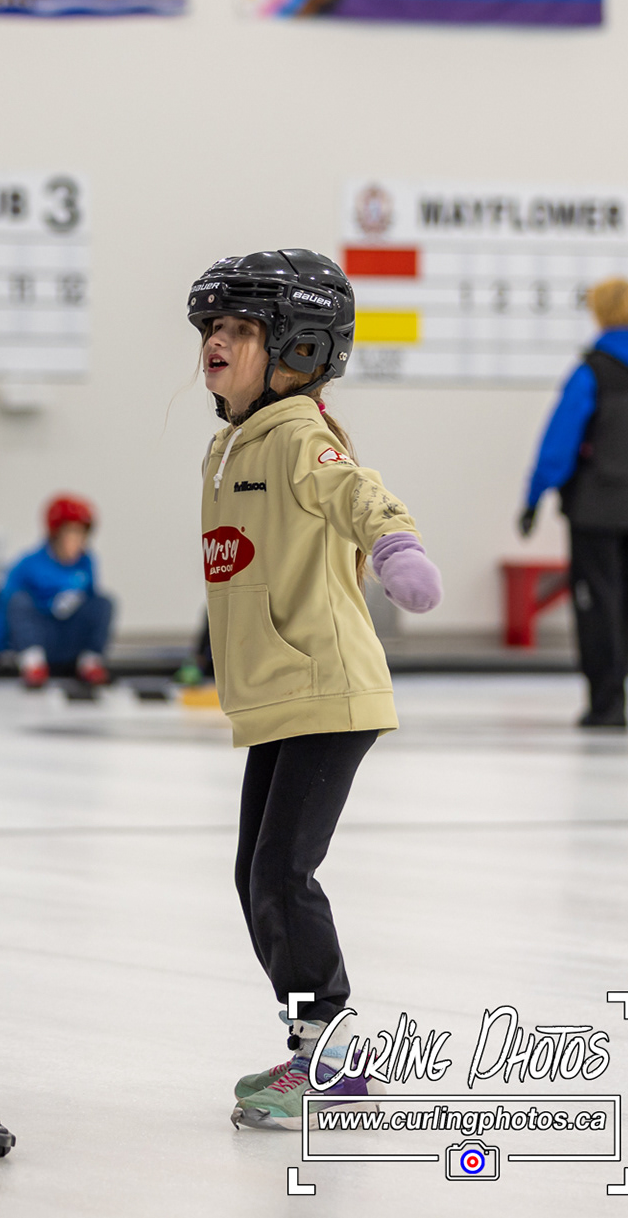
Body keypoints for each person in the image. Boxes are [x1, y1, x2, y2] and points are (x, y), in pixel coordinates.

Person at [187, 250, 443, 1130]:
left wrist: (395, 546)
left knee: (282, 871)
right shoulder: (230, 444)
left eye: (240, 330)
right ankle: (311, 1043)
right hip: (279, 692)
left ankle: (332, 1061)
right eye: (211, 328)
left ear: (298, 348)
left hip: (327, 685)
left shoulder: (299, 434)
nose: (216, 342)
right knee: (255, 874)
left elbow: (356, 491)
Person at [520, 277, 628, 729]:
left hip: (596, 507)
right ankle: (617, 695)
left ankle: (605, 704)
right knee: (626, 598)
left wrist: (534, 497)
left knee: (596, 601)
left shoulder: (592, 371)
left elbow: (559, 443)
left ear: (599, 311)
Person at [0, 494, 113, 687]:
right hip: (39, 638)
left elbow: (92, 605)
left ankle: (89, 662)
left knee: (103, 603)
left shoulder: (86, 563)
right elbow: (5, 605)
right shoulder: (28, 564)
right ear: (56, 533)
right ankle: (33, 663)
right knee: (19, 600)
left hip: (68, 639)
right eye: (72, 533)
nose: (78, 541)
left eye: (82, 534)